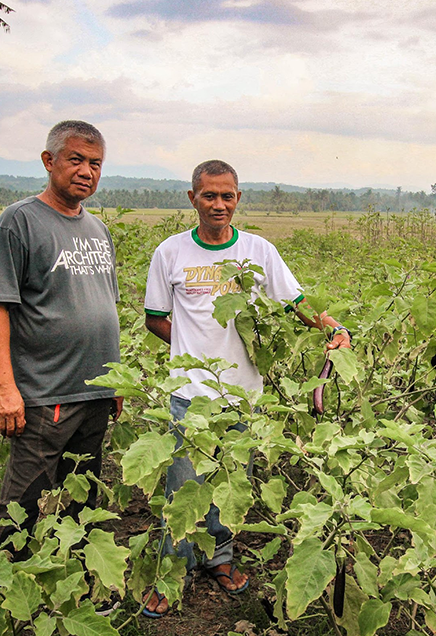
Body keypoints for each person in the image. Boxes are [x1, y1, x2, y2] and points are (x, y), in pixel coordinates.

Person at [142, 159, 351, 617]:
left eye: (228, 195)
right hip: (190, 392)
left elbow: (297, 302)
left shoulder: (258, 250)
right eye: (210, 195)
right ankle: (172, 572)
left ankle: (219, 558)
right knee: (183, 486)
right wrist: (188, 349)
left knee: (233, 482)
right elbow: (156, 317)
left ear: (238, 198)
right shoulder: (170, 253)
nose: (219, 204)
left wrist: (333, 326)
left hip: (244, 393)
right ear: (192, 198)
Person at [0, 120, 122, 617]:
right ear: (48, 161)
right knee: (23, 503)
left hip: (94, 392)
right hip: (45, 394)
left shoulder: (96, 228)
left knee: (83, 500)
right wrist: (4, 386)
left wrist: (115, 379)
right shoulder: (19, 222)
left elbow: (104, 306)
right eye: (75, 159)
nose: (86, 171)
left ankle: (68, 589)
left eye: (95, 163)